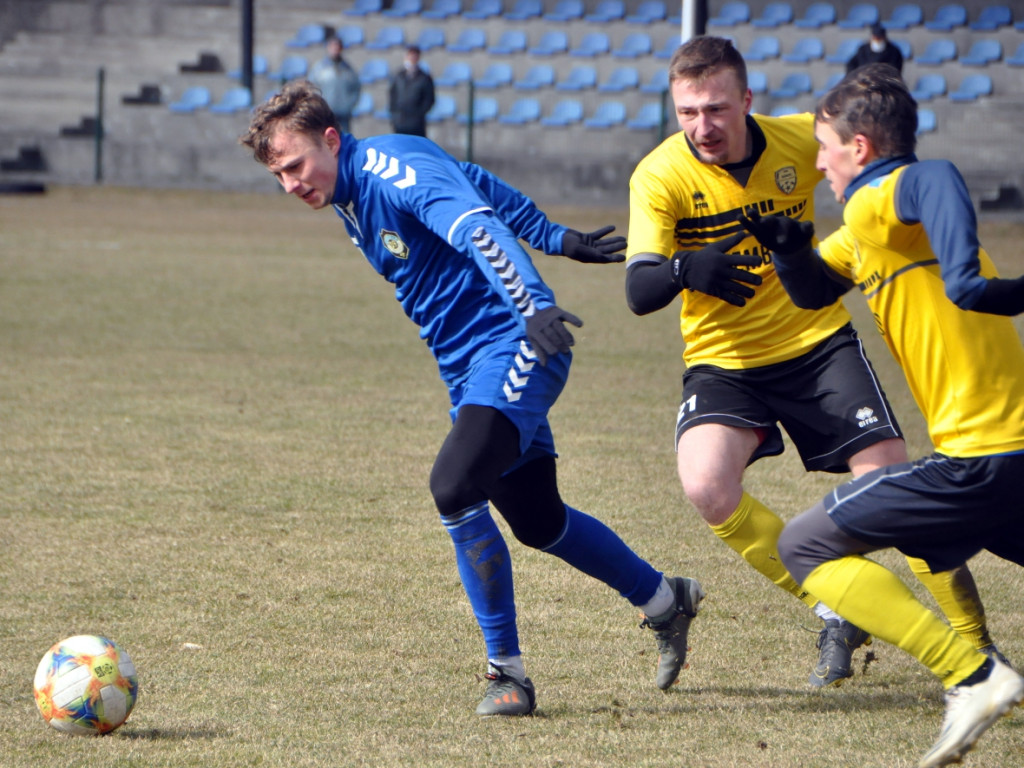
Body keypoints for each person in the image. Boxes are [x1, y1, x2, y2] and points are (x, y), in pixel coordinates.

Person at [240, 80, 705, 717]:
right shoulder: (351, 194)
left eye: (294, 166)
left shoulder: (388, 168)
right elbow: (476, 183)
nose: (291, 184)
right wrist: (555, 235)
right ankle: (664, 600)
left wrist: (535, 305)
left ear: (331, 138)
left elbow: (474, 224)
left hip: (517, 343)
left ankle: (505, 674)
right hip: (467, 369)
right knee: (538, 519)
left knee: (454, 487)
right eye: (278, 176)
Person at [624, 36, 1003, 690]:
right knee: (707, 486)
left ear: (746, 100)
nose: (702, 126)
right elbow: (638, 291)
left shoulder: (800, 140)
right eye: (687, 112)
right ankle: (837, 611)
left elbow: (862, 139)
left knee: (892, 482)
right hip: (725, 359)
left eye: (715, 108)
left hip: (816, 342)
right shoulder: (659, 175)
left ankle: (976, 647)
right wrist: (687, 267)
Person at [740, 62, 1024, 768]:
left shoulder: (880, 198)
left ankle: (976, 675)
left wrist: (970, 283)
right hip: (1007, 455)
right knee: (930, 536)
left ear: (859, 149)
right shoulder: (868, 232)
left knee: (802, 546)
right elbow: (813, 291)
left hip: (979, 459)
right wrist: (790, 250)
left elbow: (935, 177)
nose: (819, 165)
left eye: (824, 149)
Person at [308, 36, 362, 135]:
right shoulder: (320, 68)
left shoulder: (348, 69)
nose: (335, 49)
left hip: (343, 114)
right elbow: (312, 88)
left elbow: (356, 88)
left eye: (337, 47)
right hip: (325, 113)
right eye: (333, 46)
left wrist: (349, 105)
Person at [388, 45, 434, 137]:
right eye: (410, 55)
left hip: (416, 123)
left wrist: (418, 114)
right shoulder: (398, 76)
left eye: (414, 56)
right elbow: (393, 95)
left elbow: (429, 99)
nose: (412, 58)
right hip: (400, 121)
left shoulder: (424, 78)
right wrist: (395, 114)